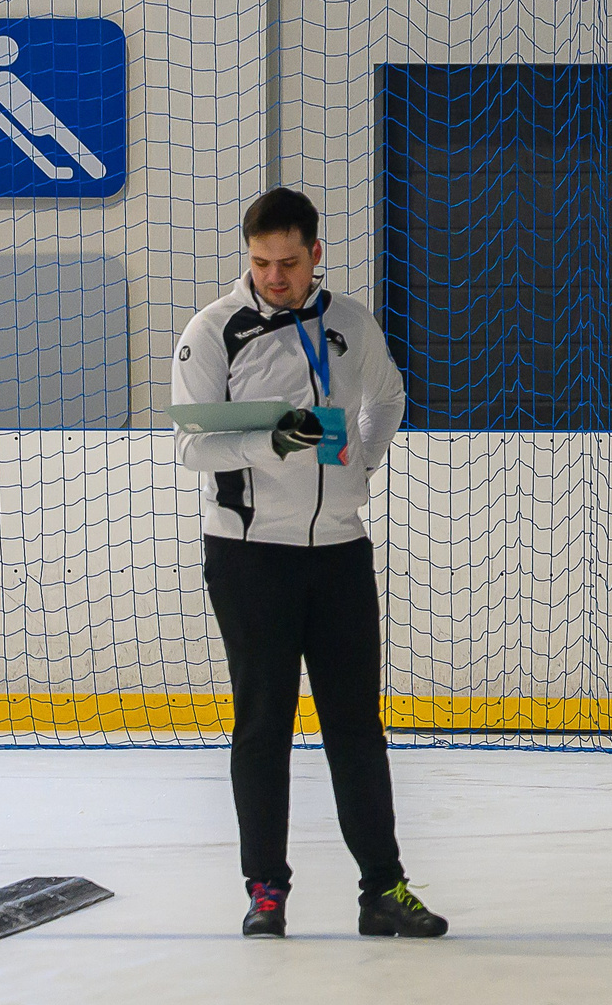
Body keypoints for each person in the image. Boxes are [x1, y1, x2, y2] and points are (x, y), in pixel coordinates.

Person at [170, 187, 447, 941]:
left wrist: (363, 457)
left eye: (288, 262)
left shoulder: (351, 322)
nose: (274, 276)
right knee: (264, 724)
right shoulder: (213, 333)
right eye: (261, 262)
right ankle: (266, 890)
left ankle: (383, 889)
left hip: (340, 554)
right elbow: (193, 444)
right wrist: (274, 442)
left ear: (315, 253)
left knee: (357, 727)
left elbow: (387, 397)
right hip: (250, 555)